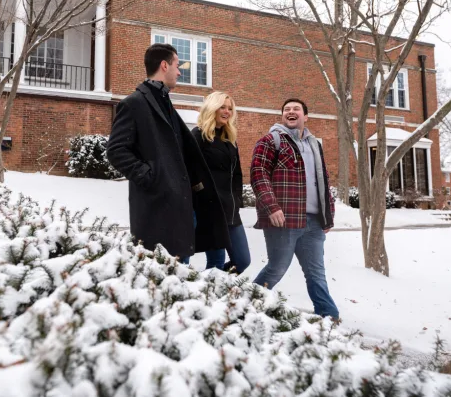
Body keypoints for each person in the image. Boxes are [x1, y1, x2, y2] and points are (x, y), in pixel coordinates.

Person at [106, 43, 230, 263]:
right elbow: (116, 151)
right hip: (156, 208)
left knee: (179, 271)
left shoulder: (165, 102)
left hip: (180, 207)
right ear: (164, 65)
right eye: (177, 65)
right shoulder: (134, 104)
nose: (180, 71)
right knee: (161, 277)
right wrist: (151, 176)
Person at [250, 98, 339, 320]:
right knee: (277, 268)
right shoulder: (270, 141)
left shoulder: (314, 144)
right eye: (287, 109)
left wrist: (328, 214)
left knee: (316, 273)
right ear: (282, 116)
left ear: (305, 117)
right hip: (283, 219)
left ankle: (328, 315)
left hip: (314, 222)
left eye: (296, 109)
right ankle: (245, 303)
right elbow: (258, 174)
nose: (291, 112)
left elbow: (323, 179)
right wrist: (272, 207)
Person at [192, 92, 251, 274]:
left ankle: (211, 285)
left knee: (242, 261)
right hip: (211, 210)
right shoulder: (198, 135)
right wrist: (204, 195)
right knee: (216, 262)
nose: (227, 112)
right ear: (212, 108)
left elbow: (237, 173)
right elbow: (190, 170)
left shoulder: (230, 139)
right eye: (222, 107)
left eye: (230, 108)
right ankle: (209, 295)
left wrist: (237, 200)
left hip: (231, 210)